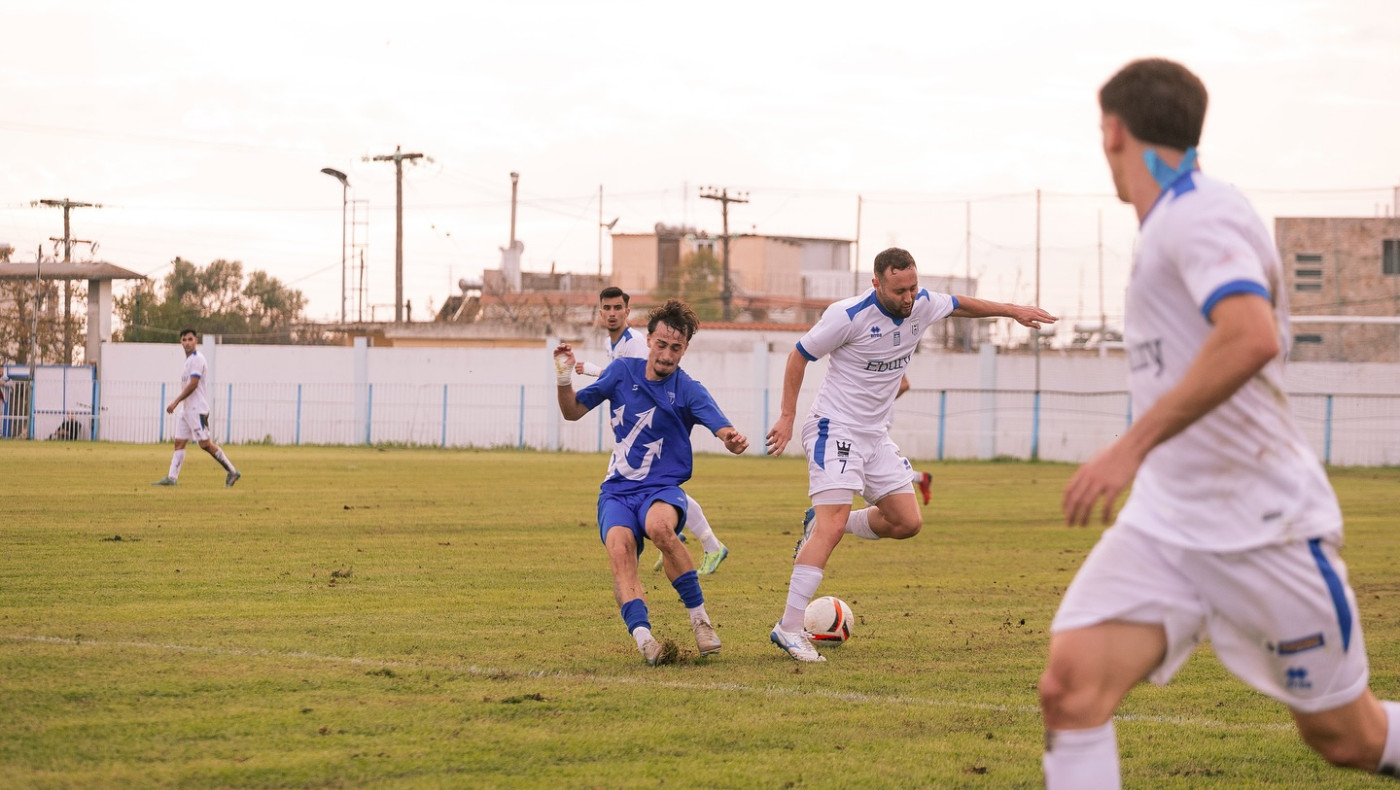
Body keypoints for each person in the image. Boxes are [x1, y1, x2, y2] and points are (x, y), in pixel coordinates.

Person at [1038, 58, 1400, 788]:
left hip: (1262, 529)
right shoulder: (1170, 220)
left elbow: (1250, 335)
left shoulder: (1203, 211)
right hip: (1168, 529)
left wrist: (1128, 449)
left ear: (1113, 130)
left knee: (1347, 736)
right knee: (1070, 690)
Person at [764, 247, 1055, 661]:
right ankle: (789, 627)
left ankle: (829, 523)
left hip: (875, 437)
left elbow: (961, 305)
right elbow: (799, 356)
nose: (908, 297)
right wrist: (788, 416)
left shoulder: (922, 304)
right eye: (899, 289)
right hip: (835, 427)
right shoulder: (847, 316)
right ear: (876, 283)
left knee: (906, 521)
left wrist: (1013, 311)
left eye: (914, 287)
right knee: (830, 527)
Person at [554, 299, 749, 665]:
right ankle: (645, 640)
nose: (667, 354)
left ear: (685, 349)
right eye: (661, 344)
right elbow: (572, 411)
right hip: (617, 491)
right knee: (619, 551)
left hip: (660, 489)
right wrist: (564, 377)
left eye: (676, 347)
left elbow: (722, 427)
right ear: (649, 340)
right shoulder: (621, 372)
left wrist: (731, 438)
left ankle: (701, 621)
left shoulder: (689, 389)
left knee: (660, 528)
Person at [574, 286, 731, 576]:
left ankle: (708, 544)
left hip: (654, 426)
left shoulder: (634, 343)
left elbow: (640, 378)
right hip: (633, 431)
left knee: (658, 486)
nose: (611, 313)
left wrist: (592, 370)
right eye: (606, 308)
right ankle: (676, 539)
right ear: (600, 312)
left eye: (617, 308)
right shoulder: (614, 344)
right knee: (646, 487)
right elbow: (618, 378)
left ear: (627, 312)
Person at [152, 328, 241, 488]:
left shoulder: (198, 359)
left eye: (190, 339)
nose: (187, 342)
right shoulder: (187, 361)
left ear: (196, 341)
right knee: (179, 443)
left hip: (197, 409)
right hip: (187, 410)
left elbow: (193, 384)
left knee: (205, 444)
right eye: (184, 340)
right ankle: (172, 478)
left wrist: (176, 401)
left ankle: (232, 471)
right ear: (180, 342)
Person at [896, 374, 934, 506]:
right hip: (870, 417)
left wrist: (879, 403)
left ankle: (874, 511)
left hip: (871, 419)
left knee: (869, 465)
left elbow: (904, 384)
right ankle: (920, 477)